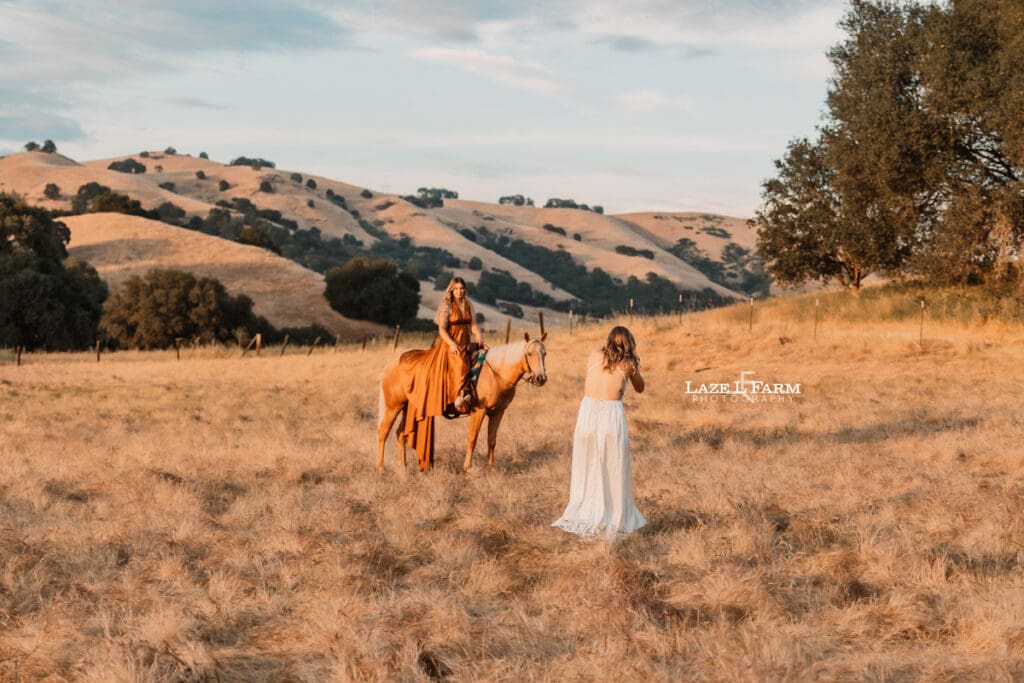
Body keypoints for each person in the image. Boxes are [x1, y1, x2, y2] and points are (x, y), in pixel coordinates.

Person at [553, 325, 647, 538]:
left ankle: (587, 506)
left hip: (587, 412)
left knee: (588, 463)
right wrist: (635, 369)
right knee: (613, 465)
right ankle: (612, 511)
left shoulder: (594, 355)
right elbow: (641, 388)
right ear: (629, 342)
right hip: (610, 415)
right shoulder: (629, 364)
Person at [399, 277, 484, 470]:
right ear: (451, 291)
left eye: (463, 288)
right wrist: (452, 344)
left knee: (483, 357)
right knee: (461, 362)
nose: (460, 292)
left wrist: (478, 333)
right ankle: (459, 397)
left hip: (466, 341)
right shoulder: (446, 305)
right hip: (450, 344)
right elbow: (442, 330)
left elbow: (473, 325)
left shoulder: (468, 304)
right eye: (457, 289)